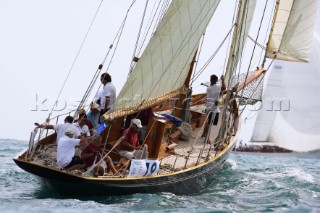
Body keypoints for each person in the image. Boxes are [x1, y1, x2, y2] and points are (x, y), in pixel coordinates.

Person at [201, 75, 225, 140]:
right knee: (210, 124)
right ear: (216, 80)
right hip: (214, 108)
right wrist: (223, 80)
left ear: (210, 79)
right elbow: (224, 88)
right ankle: (207, 138)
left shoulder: (208, 88)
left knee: (208, 122)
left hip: (208, 107)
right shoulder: (217, 87)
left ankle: (203, 134)